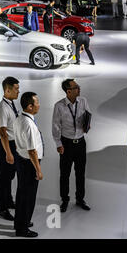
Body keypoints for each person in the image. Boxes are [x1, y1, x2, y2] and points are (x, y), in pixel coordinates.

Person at [52, 79, 92, 213]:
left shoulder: (83, 101)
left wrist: (87, 125)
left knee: (80, 173)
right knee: (65, 174)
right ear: (68, 91)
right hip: (66, 144)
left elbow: (88, 115)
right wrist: (58, 144)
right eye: (76, 87)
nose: (79, 89)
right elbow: (56, 125)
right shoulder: (59, 106)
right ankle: (65, 199)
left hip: (80, 143)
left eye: (78, 86)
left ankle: (80, 199)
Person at [13, 92, 44, 238]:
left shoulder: (19, 118)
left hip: (21, 160)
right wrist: (38, 170)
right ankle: (23, 228)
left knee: (21, 193)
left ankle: (19, 222)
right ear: (30, 106)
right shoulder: (29, 124)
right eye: (37, 102)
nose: (39, 104)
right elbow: (32, 151)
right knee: (28, 197)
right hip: (29, 163)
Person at [0, 77, 21, 222]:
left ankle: (9, 201)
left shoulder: (11, 103)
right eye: (16, 89)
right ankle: (2, 208)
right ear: (7, 90)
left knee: (10, 176)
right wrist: (9, 153)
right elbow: (3, 133)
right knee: (4, 178)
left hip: (14, 145)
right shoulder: (2, 109)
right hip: (6, 147)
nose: (18, 91)